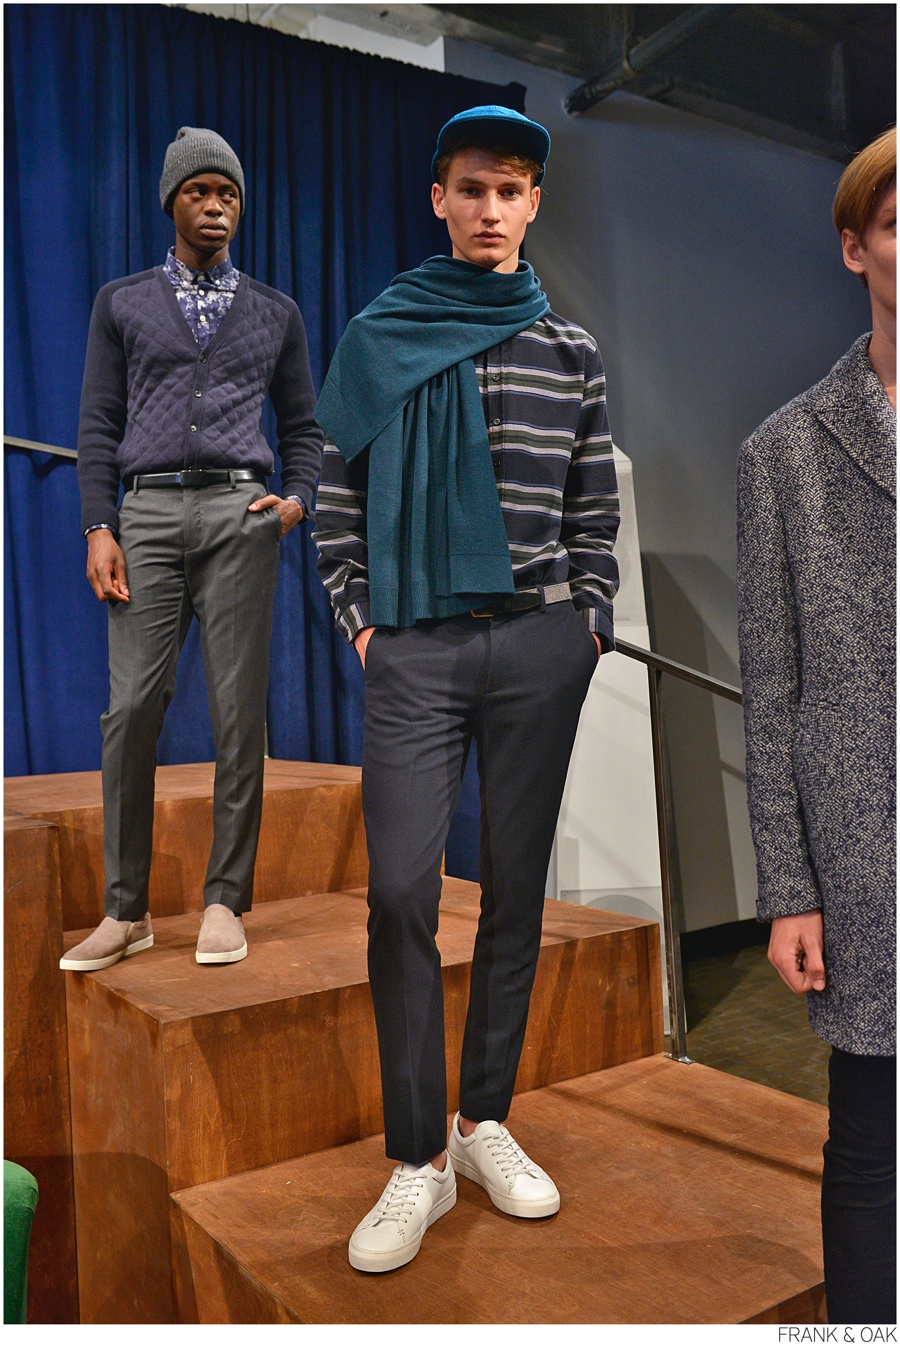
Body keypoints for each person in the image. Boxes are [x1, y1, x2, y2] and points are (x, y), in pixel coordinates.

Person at [314, 105, 620, 1272]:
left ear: (535, 203)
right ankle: (417, 1159)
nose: (492, 209)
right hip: (418, 649)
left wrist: (588, 623)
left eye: (512, 189)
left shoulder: (572, 350)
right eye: (473, 188)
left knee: (515, 890)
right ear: (439, 199)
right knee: (401, 890)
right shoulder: (380, 335)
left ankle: (483, 1118)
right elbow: (335, 492)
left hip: (540, 642)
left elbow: (593, 506)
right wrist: (361, 622)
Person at [60, 127, 323, 972]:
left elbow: (305, 428)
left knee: (238, 713)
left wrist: (297, 500)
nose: (216, 206)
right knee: (132, 709)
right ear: (172, 202)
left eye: (228, 194)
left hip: (240, 513)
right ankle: (125, 910)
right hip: (146, 513)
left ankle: (224, 901)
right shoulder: (122, 303)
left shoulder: (276, 312)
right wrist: (99, 524)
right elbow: (98, 423)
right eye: (200, 192)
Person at [736, 127, 896, 1323]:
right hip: (866, 842)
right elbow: (771, 685)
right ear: (856, 249)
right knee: (874, 1136)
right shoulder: (784, 452)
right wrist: (789, 886)